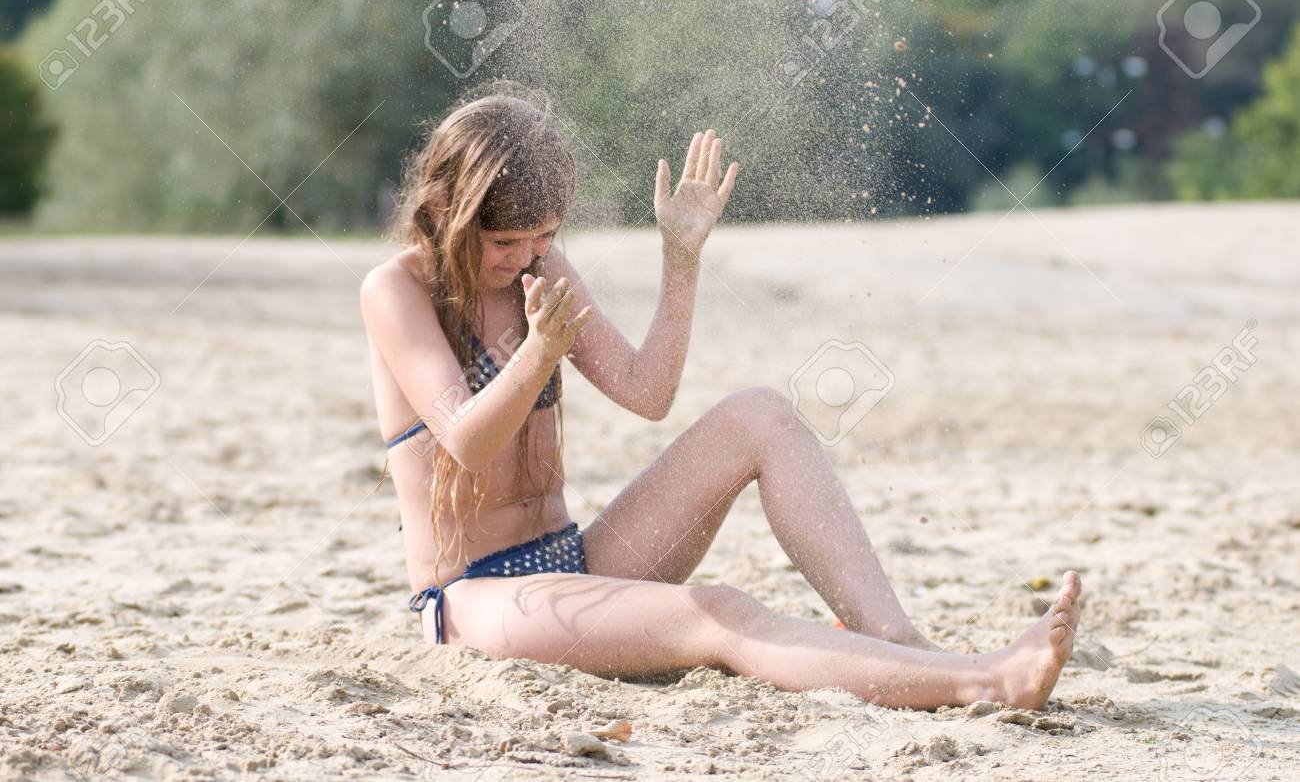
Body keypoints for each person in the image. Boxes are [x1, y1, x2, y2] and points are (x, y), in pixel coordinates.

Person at [360, 93, 1080, 710]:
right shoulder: (397, 290)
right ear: (448, 211)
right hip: (478, 597)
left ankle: (893, 639)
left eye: (544, 237)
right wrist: (539, 352)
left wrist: (681, 258)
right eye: (506, 241)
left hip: (574, 559)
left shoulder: (541, 262)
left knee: (759, 413)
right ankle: (983, 681)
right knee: (719, 611)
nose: (526, 257)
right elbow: (467, 441)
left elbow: (648, 392)